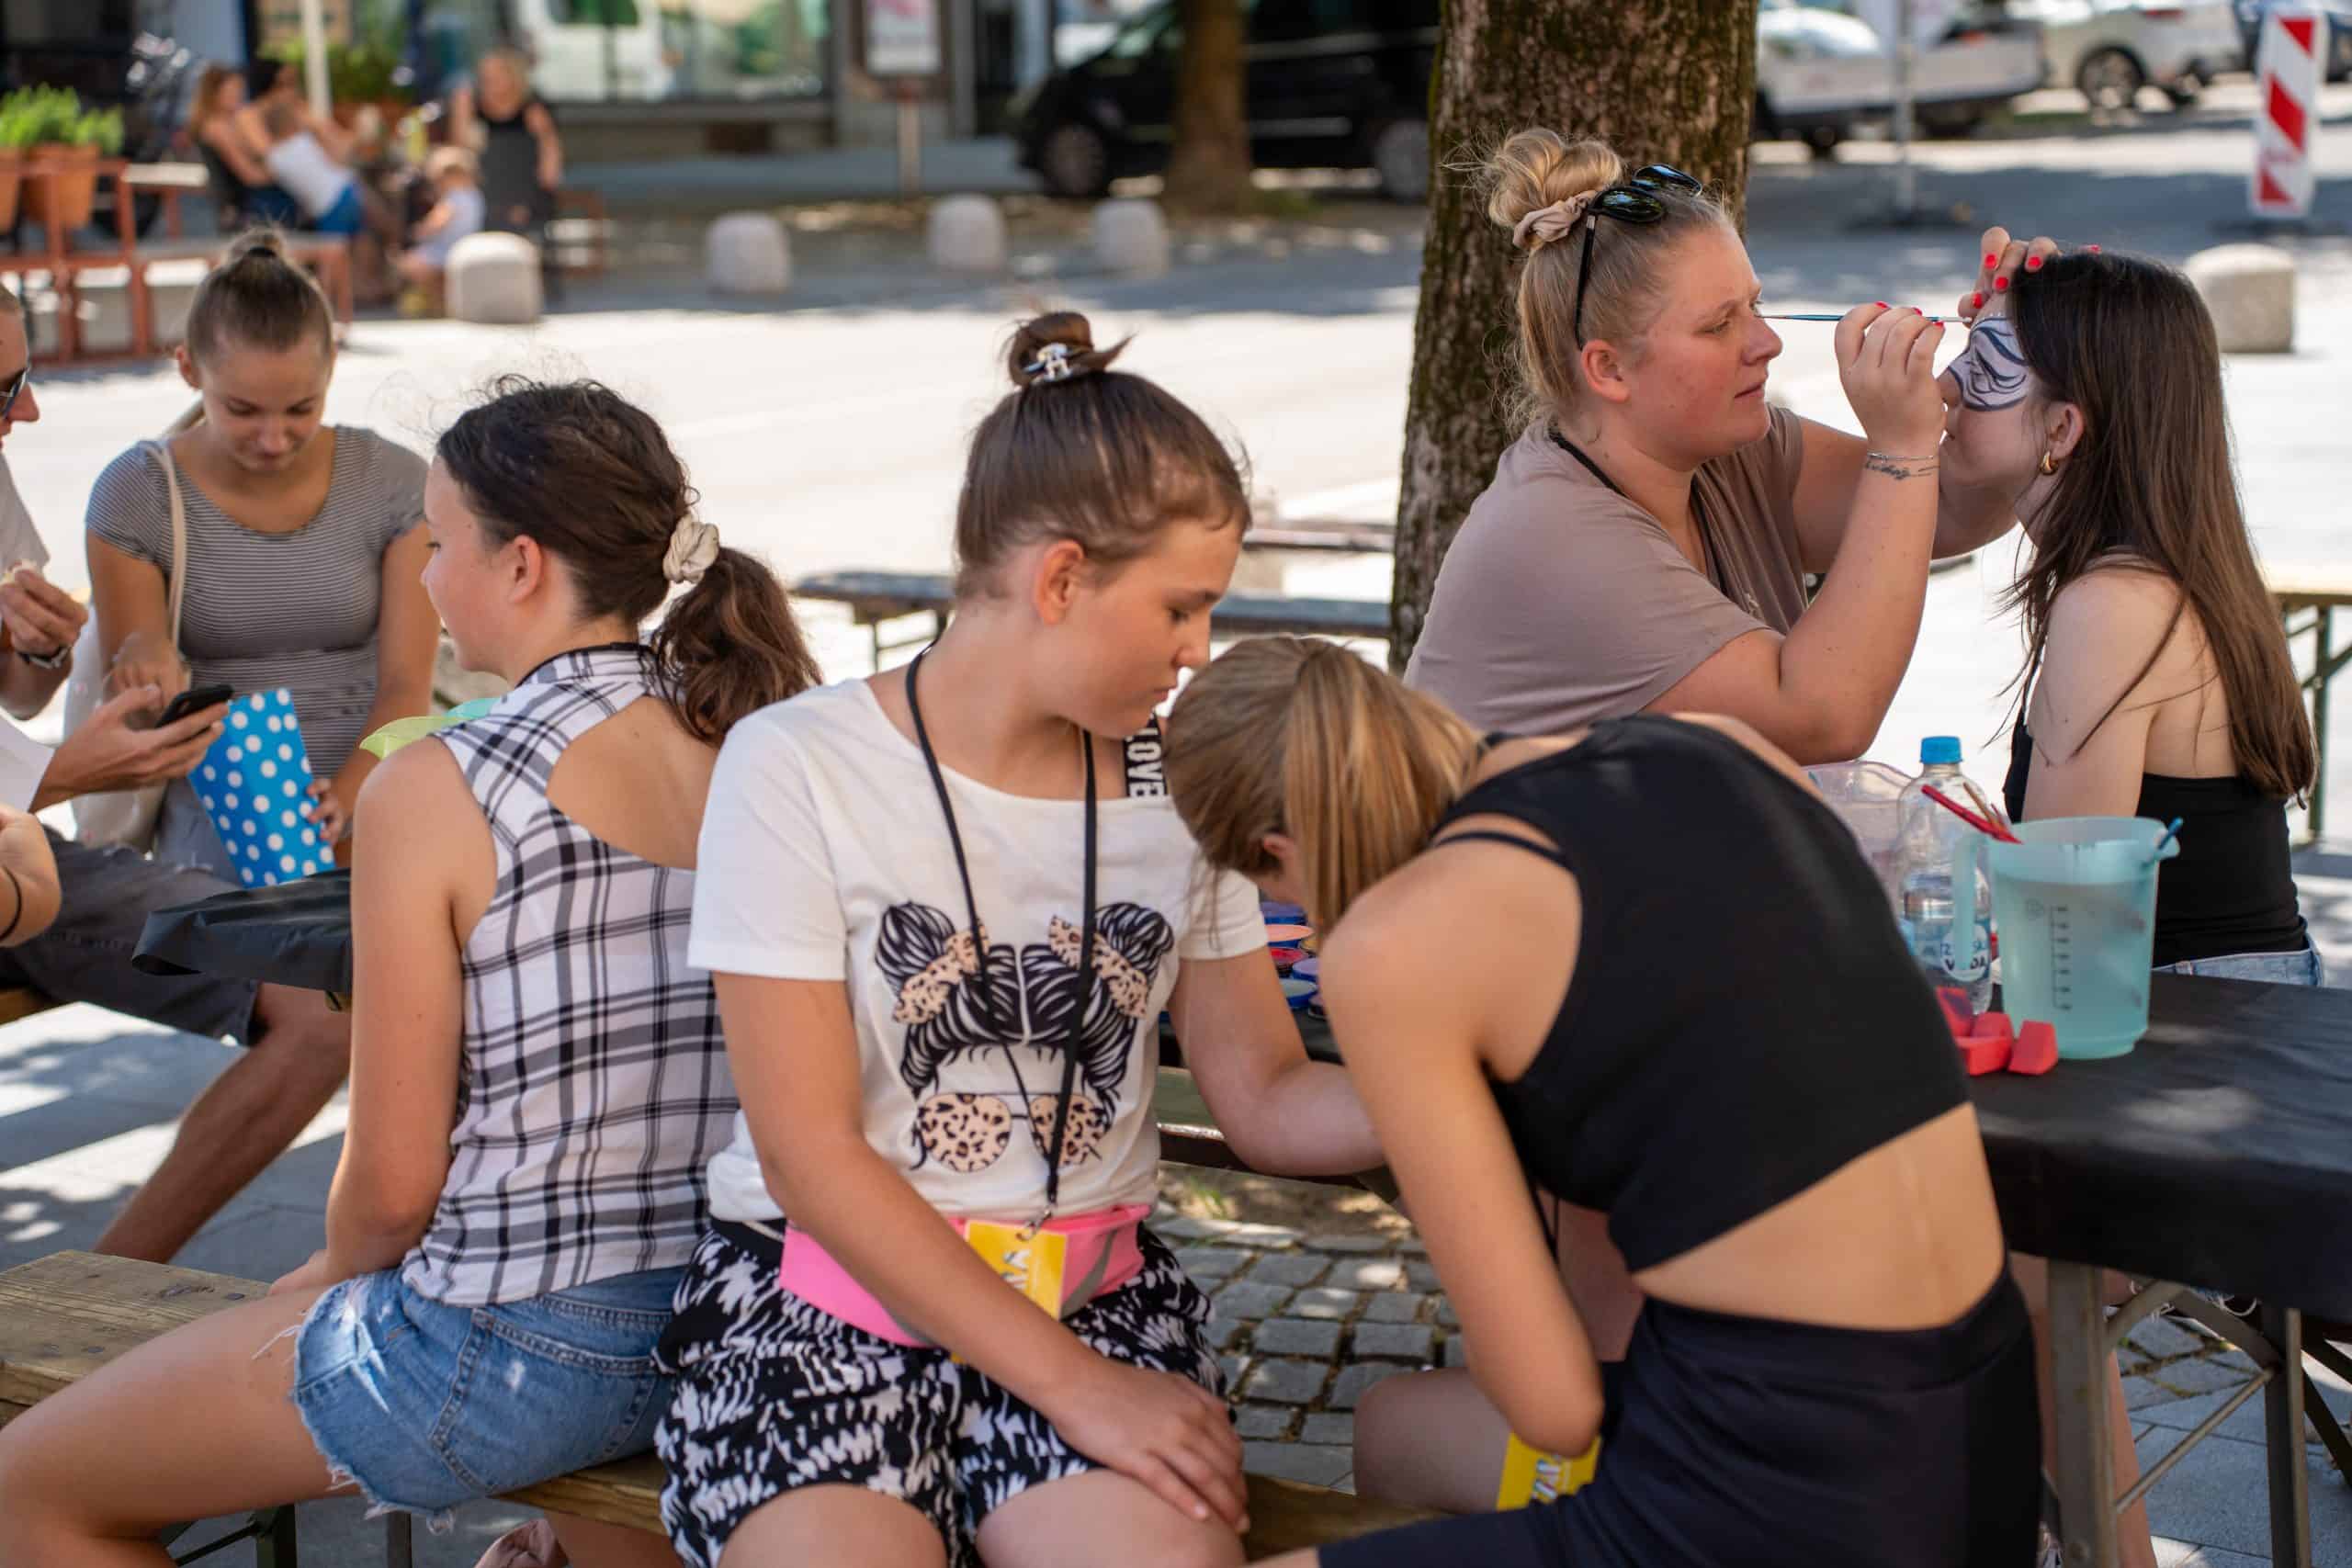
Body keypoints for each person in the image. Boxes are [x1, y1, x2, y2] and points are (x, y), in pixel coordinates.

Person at [0, 376, 820, 1567]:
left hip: (512, 1343)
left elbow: (390, 1190)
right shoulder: (747, 734)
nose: (425, 578)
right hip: (724, 1315)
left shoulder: (443, 780)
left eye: (440, 543)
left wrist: (319, 1281)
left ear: (521, 565)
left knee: (24, 1491)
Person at [656, 312, 1381, 1568]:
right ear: (1060, 580)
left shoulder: (1179, 785)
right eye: (1182, 606)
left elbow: (1265, 1091)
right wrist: (1076, 1388)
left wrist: (1466, 1086)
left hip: (1094, 1299)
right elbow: (810, 1157)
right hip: (819, 1300)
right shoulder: (797, 765)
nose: (1199, 649)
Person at [1162, 637, 2040, 1568]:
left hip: (1780, 1486)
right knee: (1405, 1432)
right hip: (1986, 1427)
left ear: (1277, 851)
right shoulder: (1715, 745)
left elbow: (1556, 1409)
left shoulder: (1392, 944)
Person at [1402, 129, 2041, 766]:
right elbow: (1824, 717)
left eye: (1756, 306)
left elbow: (1949, 507)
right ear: (1609, 369)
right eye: (1718, 325)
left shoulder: (1727, 454)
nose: (1767, 343)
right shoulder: (1554, 535)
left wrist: (2019, 362)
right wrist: (1900, 448)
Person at [0, 279, 352, 1266]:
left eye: (21, 378)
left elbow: (20, 701)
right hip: (25, 836)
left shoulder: (385, 479)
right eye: (4, 390)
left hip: (25, 849)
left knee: (326, 999)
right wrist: (62, 774)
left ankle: (98, 1288)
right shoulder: (140, 485)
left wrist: (37, 652)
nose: (31, 411)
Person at [1962, 253, 2318, 984]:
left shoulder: (2112, 603)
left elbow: (2060, 920)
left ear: (2062, 428)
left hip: (2195, 1018)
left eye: (1983, 365)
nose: (1944, 385)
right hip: (2227, 1001)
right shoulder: (2169, 569)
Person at [86, 230, 436, 882]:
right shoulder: (139, 492)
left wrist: (347, 797)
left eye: (302, 408)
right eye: (242, 410)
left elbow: (406, 688)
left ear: (332, 365)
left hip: (379, 794)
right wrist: (144, 657)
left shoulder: (392, 482)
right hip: (219, 817)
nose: (274, 439)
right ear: (188, 369)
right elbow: (137, 703)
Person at [450, 47, 564, 239]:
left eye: (496, 75)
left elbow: (550, 154)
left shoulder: (532, 109)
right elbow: (460, 150)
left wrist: (544, 186)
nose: (489, 81)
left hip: (524, 187)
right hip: (484, 185)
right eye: (485, 77)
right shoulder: (472, 106)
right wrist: (462, 112)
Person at [185, 64, 300, 230]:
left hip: (244, 205)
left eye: (239, 91)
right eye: (232, 91)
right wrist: (287, 173)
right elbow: (250, 175)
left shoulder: (225, 122)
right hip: (244, 210)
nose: (237, 97)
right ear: (214, 94)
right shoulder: (217, 127)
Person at [396, 146, 488, 311]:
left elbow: (433, 226)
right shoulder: (475, 195)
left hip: (447, 251)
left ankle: (439, 303)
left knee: (407, 263)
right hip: (462, 248)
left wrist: (417, 232)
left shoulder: (453, 199)